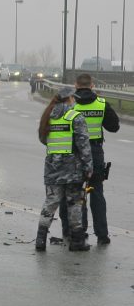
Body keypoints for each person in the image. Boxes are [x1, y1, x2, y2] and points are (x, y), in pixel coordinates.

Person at [58, 73, 119, 245]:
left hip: (73, 151)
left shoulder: (69, 104)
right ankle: (102, 235)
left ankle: (75, 231)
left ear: (76, 86)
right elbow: (114, 127)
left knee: (72, 192)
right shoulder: (101, 103)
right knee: (96, 191)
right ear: (92, 86)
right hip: (95, 153)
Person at [35, 86, 93, 252]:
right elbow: (84, 146)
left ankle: (40, 239)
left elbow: (43, 139)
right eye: (73, 98)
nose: (74, 101)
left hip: (52, 166)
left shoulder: (48, 116)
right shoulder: (75, 117)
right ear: (69, 99)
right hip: (73, 169)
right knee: (74, 203)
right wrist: (88, 167)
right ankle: (77, 241)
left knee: (51, 202)